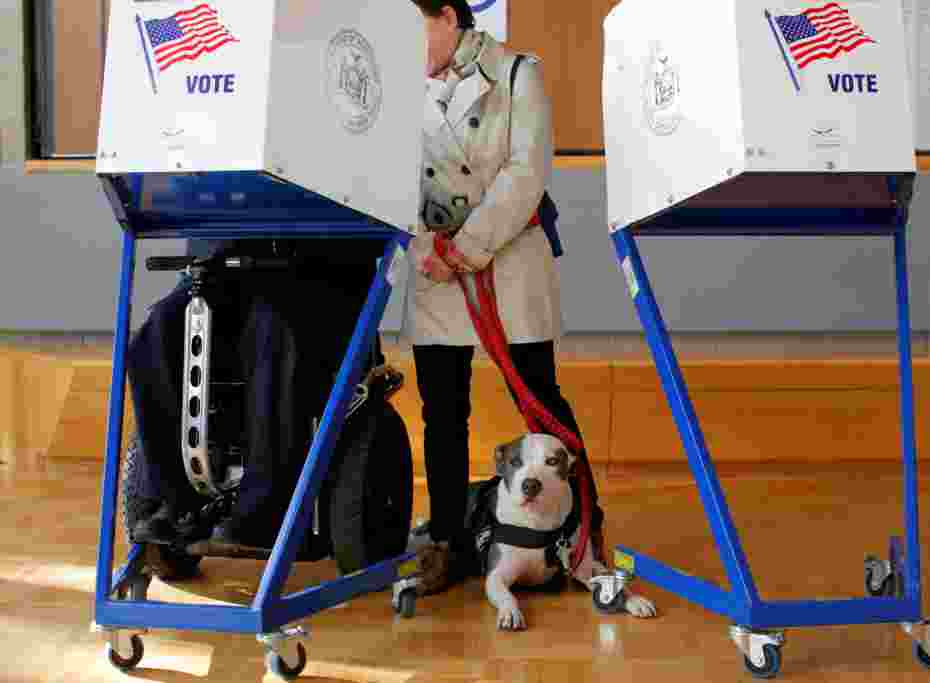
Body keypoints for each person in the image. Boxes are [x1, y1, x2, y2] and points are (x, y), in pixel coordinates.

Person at [405, 0, 605, 595]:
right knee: (441, 413)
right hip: (435, 268)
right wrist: (425, 250)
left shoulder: (520, 72)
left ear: (446, 16)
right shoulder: (397, 87)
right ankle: (449, 541)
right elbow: (383, 176)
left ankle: (585, 537)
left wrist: (469, 245)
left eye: (410, 27)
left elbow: (526, 171)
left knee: (540, 402)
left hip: (509, 257)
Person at [129, 236, 386, 548]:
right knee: (157, 332)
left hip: (318, 273)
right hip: (232, 267)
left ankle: (262, 512)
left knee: (270, 328)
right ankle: (175, 501)